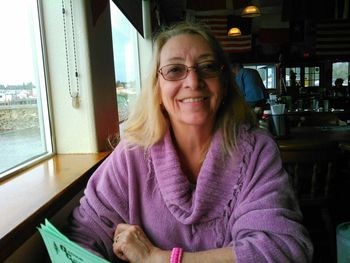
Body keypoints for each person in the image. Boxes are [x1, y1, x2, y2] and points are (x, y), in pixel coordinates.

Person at [67, 22, 313, 262]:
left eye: (207, 67)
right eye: (174, 70)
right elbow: (85, 234)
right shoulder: (132, 154)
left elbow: (282, 249)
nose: (193, 82)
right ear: (157, 89)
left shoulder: (257, 150)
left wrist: (162, 259)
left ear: (224, 84)